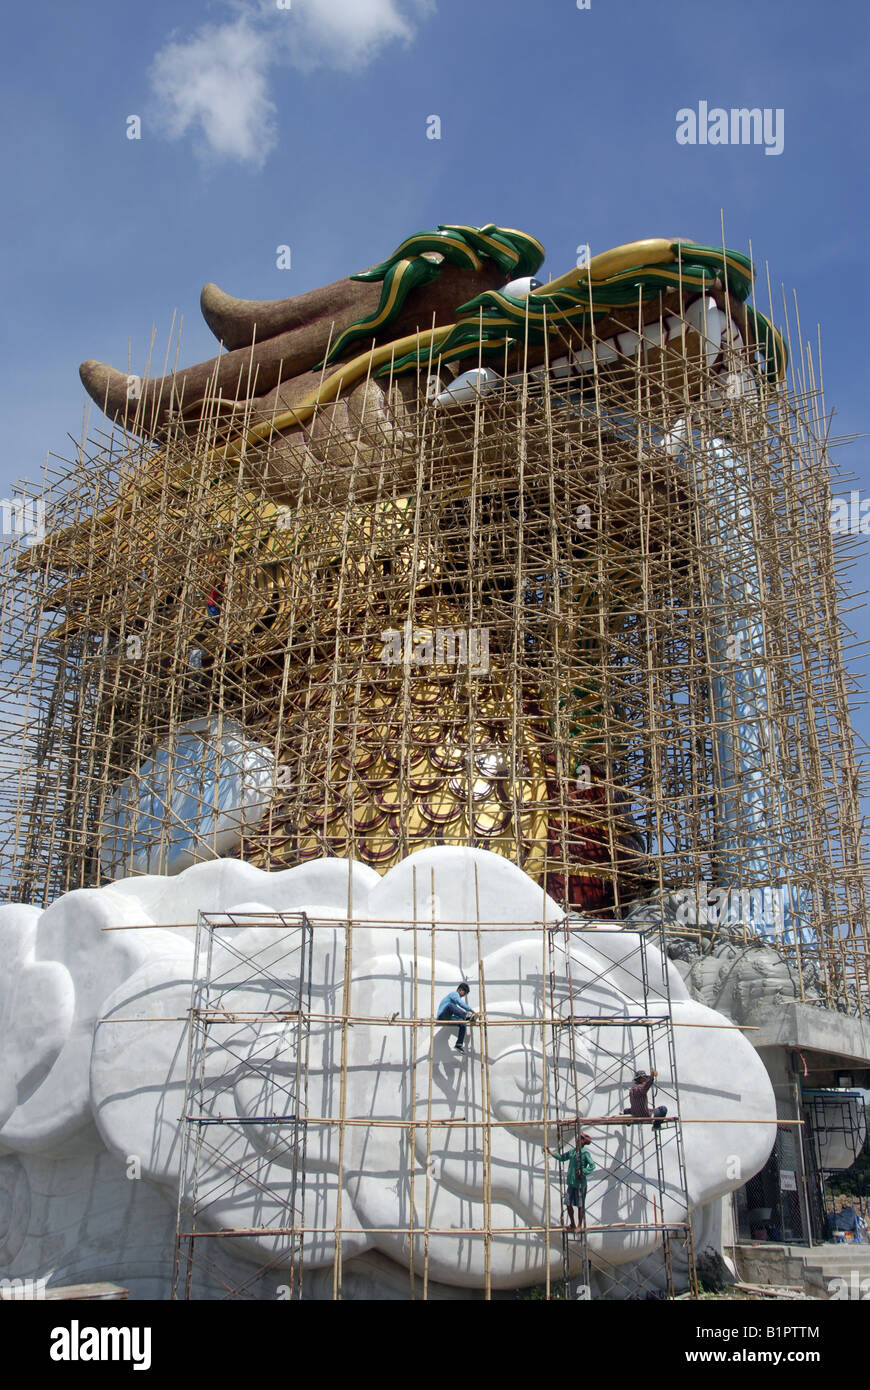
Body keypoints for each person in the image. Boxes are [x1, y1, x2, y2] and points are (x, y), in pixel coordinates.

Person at [548, 1132, 595, 1232]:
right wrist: (550, 1152)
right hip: (571, 1183)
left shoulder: (585, 1153)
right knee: (568, 1203)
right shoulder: (573, 1152)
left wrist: (583, 1171)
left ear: (583, 1142)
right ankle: (573, 1223)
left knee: (580, 1206)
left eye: (579, 1139)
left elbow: (592, 1166)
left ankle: (579, 1225)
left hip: (580, 1184)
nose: (577, 1140)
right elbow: (562, 1157)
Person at [437, 982, 476, 1053]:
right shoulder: (454, 994)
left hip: (448, 1017)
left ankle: (459, 1044)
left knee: (462, 1022)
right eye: (464, 993)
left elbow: (456, 1010)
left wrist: (461, 1018)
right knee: (450, 1006)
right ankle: (466, 1016)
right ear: (460, 990)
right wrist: (471, 1010)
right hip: (442, 1016)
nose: (464, 995)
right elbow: (460, 1003)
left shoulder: (454, 1000)